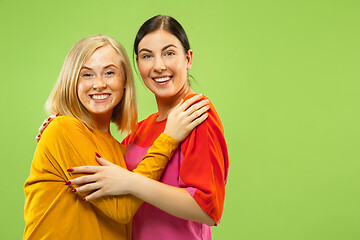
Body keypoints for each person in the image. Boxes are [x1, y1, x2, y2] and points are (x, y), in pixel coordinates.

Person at [24, 34, 209, 239]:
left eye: (109, 72)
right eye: (87, 75)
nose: (99, 84)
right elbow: (121, 208)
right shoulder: (62, 129)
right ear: (71, 81)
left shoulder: (122, 151)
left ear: (124, 82)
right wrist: (169, 138)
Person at [65, 15, 229, 239]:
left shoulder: (197, 115)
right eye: (147, 56)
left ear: (188, 58)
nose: (159, 66)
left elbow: (207, 209)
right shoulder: (141, 129)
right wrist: (61, 122)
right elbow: (102, 167)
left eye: (169, 53)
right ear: (138, 65)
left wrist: (131, 182)